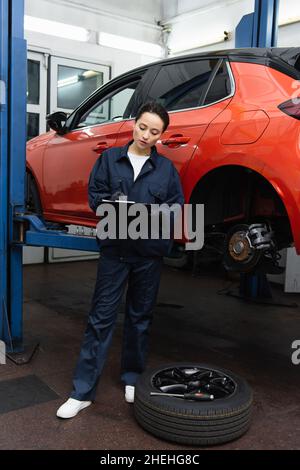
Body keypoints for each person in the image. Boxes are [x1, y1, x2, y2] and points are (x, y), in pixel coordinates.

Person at [56, 101, 184, 419]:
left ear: (161, 136)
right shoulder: (110, 160)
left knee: (140, 319)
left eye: (154, 132)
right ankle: (82, 392)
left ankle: (132, 377)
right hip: (115, 251)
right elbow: (95, 196)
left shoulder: (166, 170)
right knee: (100, 319)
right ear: (134, 125)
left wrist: (151, 216)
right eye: (143, 127)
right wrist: (112, 205)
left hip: (148, 255)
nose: (146, 135)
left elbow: (176, 206)